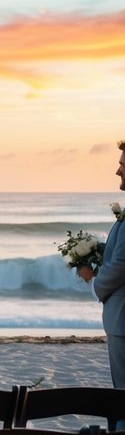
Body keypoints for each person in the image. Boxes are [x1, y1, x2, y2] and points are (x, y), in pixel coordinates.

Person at [77, 139, 125, 388]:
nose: (118, 170)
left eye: (122, 165)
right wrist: (95, 250)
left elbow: (121, 264)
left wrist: (94, 281)